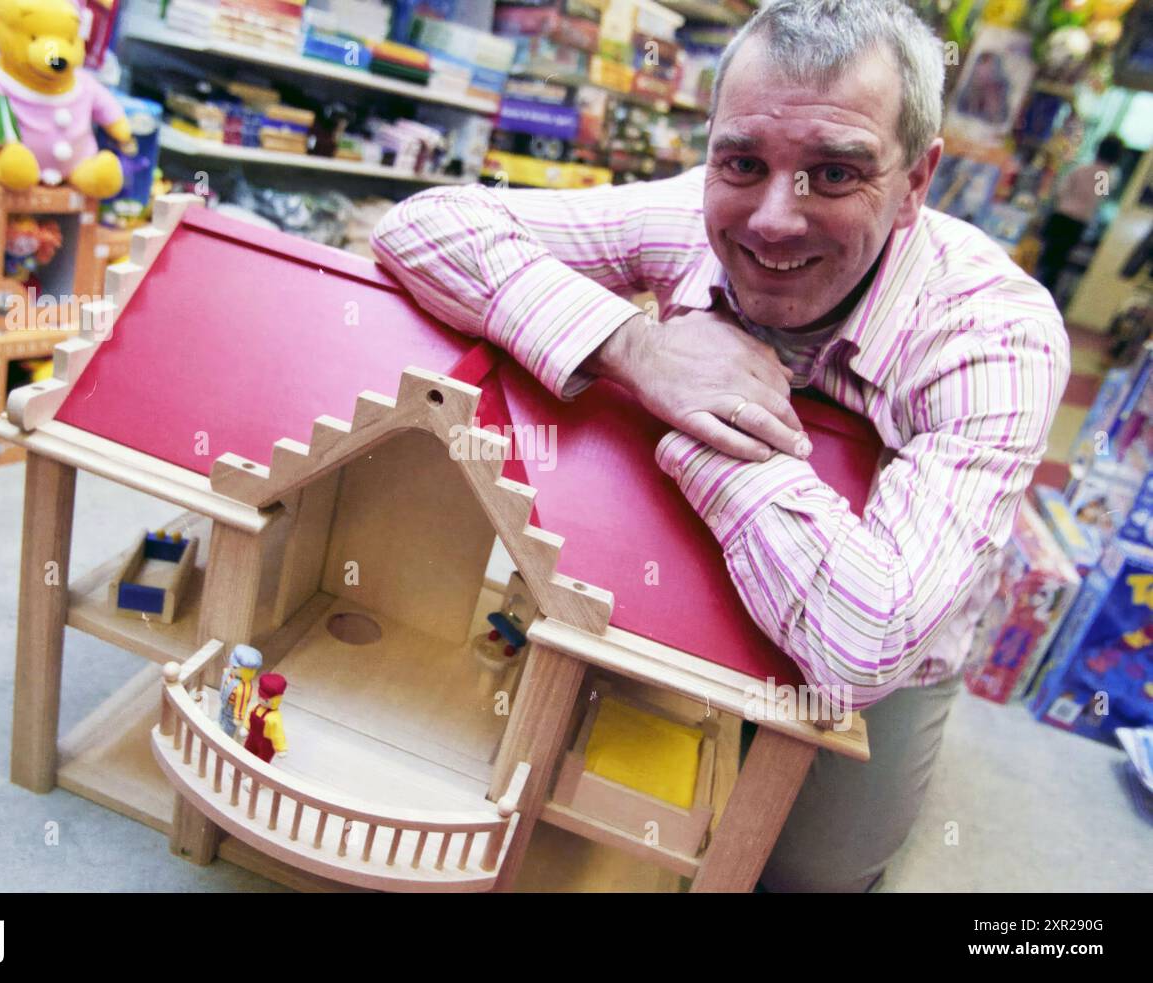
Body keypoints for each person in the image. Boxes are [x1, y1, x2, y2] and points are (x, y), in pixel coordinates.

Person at [371, 0, 1068, 891]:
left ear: (917, 181)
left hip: (891, 652)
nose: (776, 218)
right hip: (692, 553)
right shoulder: (686, 209)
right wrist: (639, 348)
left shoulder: (997, 331)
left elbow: (865, 639)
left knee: (808, 870)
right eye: (742, 161)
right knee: (562, 780)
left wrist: (698, 426)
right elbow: (421, 226)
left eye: (837, 171)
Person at [1035, 134, 1125, 296]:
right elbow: (1098, 200)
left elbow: (1061, 190)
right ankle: (1045, 293)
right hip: (1078, 223)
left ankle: (1034, 285)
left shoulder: (1081, 168)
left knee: (1045, 255)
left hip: (1061, 215)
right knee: (1059, 262)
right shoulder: (1106, 177)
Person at [218, 643, 263, 738]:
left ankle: (226, 737)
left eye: (234, 667)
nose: (231, 667)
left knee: (229, 723)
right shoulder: (231, 674)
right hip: (224, 702)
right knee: (221, 713)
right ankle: (219, 724)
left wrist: (238, 716)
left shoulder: (243, 688)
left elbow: (241, 703)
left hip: (232, 707)